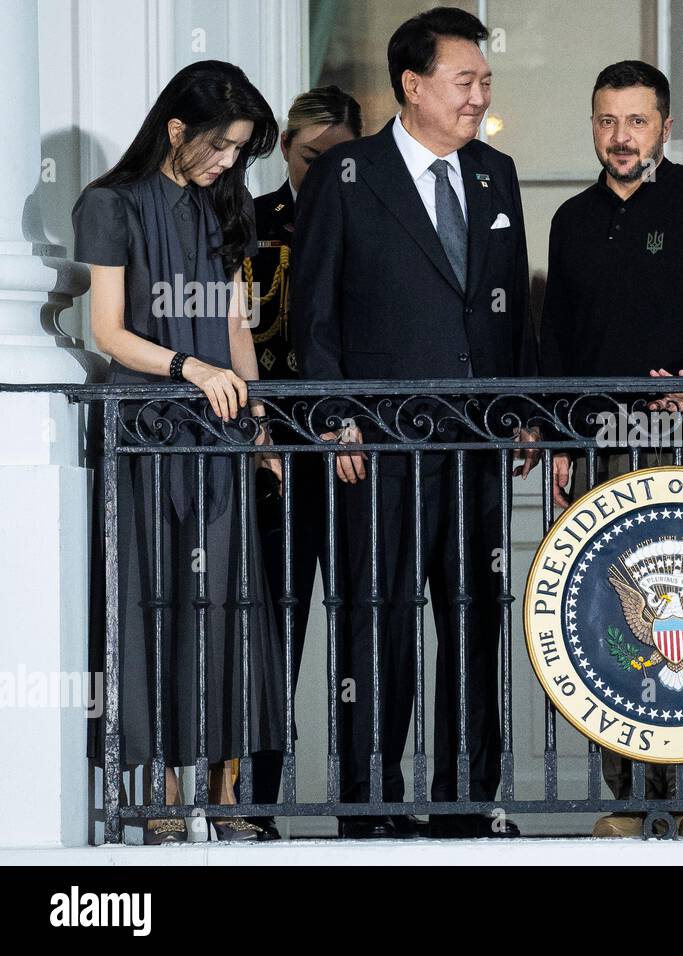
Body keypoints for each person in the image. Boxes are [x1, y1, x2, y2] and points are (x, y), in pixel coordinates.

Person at [291, 6, 537, 840]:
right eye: (465, 80)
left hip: (474, 445)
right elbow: (312, 314)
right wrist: (335, 418)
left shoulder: (495, 173)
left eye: (484, 81)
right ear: (413, 84)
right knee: (378, 618)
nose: (479, 96)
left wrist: (524, 411)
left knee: (474, 615)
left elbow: (512, 317)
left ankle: (470, 799)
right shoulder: (345, 175)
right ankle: (370, 803)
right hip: (377, 446)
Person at [74, 60, 284, 843]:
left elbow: (236, 329)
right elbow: (107, 331)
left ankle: (225, 797)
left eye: (240, 151)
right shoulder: (109, 204)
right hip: (150, 438)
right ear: (176, 129)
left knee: (230, 609)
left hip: (221, 438)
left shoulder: (223, 209)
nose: (231, 163)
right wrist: (188, 369)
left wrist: (258, 420)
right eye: (223, 146)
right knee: (156, 607)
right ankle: (162, 792)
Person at [539, 60, 683, 839]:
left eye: (634, 121)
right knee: (608, 625)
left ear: (664, 125)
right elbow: (555, 339)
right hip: (599, 445)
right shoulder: (569, 220)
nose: (618, 136)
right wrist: (561, 438)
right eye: (605, 120)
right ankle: (627, 796)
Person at [244, 85, 362, 840]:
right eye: (309, 156)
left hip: (349, 450)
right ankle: (255, 804)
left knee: (363, 630)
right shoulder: (248, 223)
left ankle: (362, 802)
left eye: (336, 158)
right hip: (272, 450)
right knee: (273, 632)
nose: (320, 172)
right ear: (286, 149)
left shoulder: (368, 213)